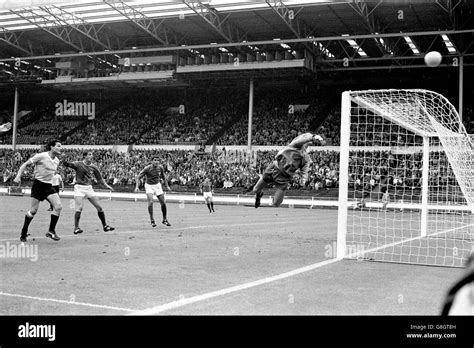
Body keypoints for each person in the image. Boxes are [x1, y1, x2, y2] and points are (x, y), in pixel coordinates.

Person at [253, 133, 324, 208]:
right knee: (255, 190)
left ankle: (273, 203)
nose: (306, 144)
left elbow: (304, 171)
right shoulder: (294, 145)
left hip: (284, 178)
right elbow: (302, 140)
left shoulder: (306, 159)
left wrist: (303, 181)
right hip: (273, 169)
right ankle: (259, 194)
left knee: (276, 204)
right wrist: (313, 137)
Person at [13, 139, 63, 242]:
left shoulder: (57, 160)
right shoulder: (41, 156)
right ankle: (24, 231)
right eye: (58, 146)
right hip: (38, 185)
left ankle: (51, 231)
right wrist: (18, 176)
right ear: (52, 147)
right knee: (33, 211)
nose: (60, 148)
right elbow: (25, 164)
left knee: (58, 207)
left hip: (49, 186)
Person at [62, 151, 115, 234]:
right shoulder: (78, 164)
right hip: (79, 187)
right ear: (85, 156)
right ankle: (76, 228)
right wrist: (64, 158)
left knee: (99, 208)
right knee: (79, 208)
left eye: (91, 155)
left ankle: (105, 226)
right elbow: (67, 164)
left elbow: (100, 179)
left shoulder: (93, 167)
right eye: (89, 155)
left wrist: (106, 186)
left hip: (89, 188)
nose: (91, 156)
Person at [135, 160, 172, 227]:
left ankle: (164, 219)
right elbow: (138, 177)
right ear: (152, 161)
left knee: (163, 202)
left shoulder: (160, 168)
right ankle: (152, 220)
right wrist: (137, 187)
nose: (156, 162)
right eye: (155, 160)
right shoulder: (147, 168)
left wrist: (167, 186)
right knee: (151, 202)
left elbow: (164, 177)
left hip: (157, 185)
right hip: (149, 186)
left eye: (158, 161)